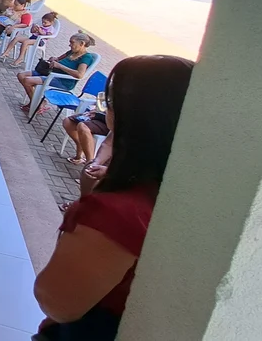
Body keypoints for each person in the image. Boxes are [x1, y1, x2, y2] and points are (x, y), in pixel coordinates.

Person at [34, 56, 194, 341]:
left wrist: (89, 207)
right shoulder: (180, 191)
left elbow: (57, 302)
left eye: (110, 102)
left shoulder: (117, 212)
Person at [17, 32, 97, 115]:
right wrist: (54, 59)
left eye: (72, 42)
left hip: (62, 81)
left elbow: (79, 75)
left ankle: (36, 105)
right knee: (21, 75)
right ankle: (38, 103)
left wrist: (60, 66)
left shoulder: (86, 57)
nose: (70, 45)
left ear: (82, 43)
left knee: (27, 81)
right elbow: (58, 59)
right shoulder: (72, 52)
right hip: (51, 74)